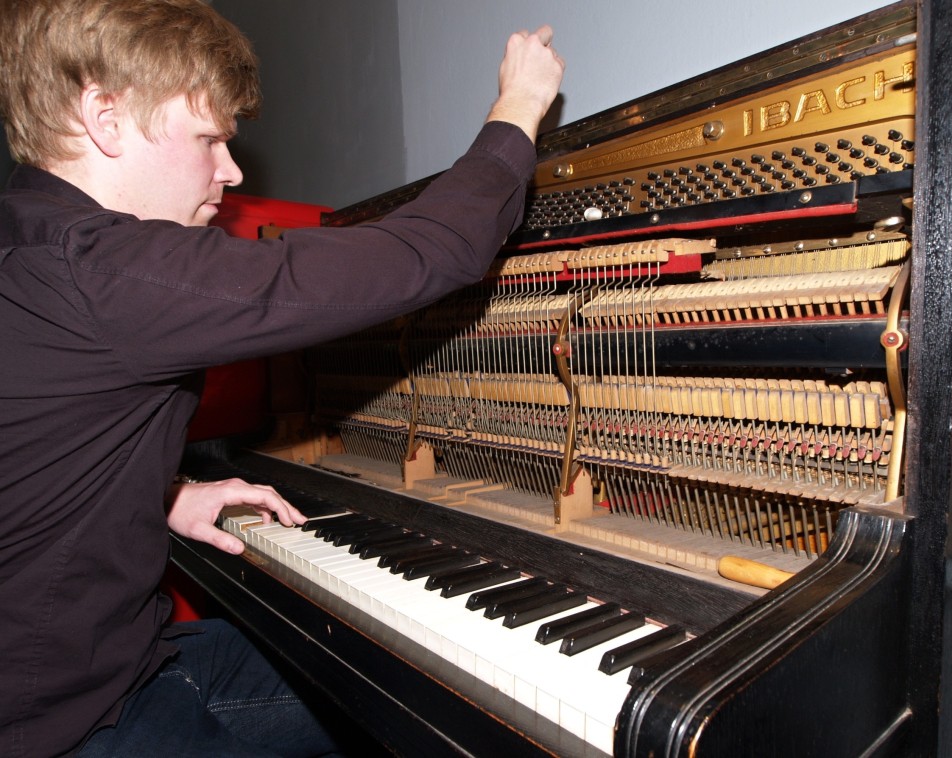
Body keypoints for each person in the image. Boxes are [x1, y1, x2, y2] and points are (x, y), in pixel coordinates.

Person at [0, 0, 565, 755]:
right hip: (62, 726)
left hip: (123, 666)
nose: (231, 172)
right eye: (211, 139)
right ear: (105, 115)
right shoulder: (99, 273)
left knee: (379, 691)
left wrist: (165, 494)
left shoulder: (29, 240)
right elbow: (427, 252)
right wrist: (519, 105)